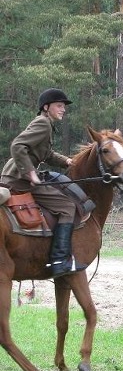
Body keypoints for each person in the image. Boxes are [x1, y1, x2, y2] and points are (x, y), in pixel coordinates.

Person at [1, 88, 87, 278]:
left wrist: (67, 161)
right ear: (46, 107)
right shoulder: (43, 123)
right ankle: (59, 260)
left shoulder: (46, 124)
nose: (63, 109)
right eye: (59, 105)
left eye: (64, 106)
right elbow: (17, 146)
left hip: (16, 176)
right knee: (66, 206)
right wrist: (30, 173)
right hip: (19, 179)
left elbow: (45, 153)